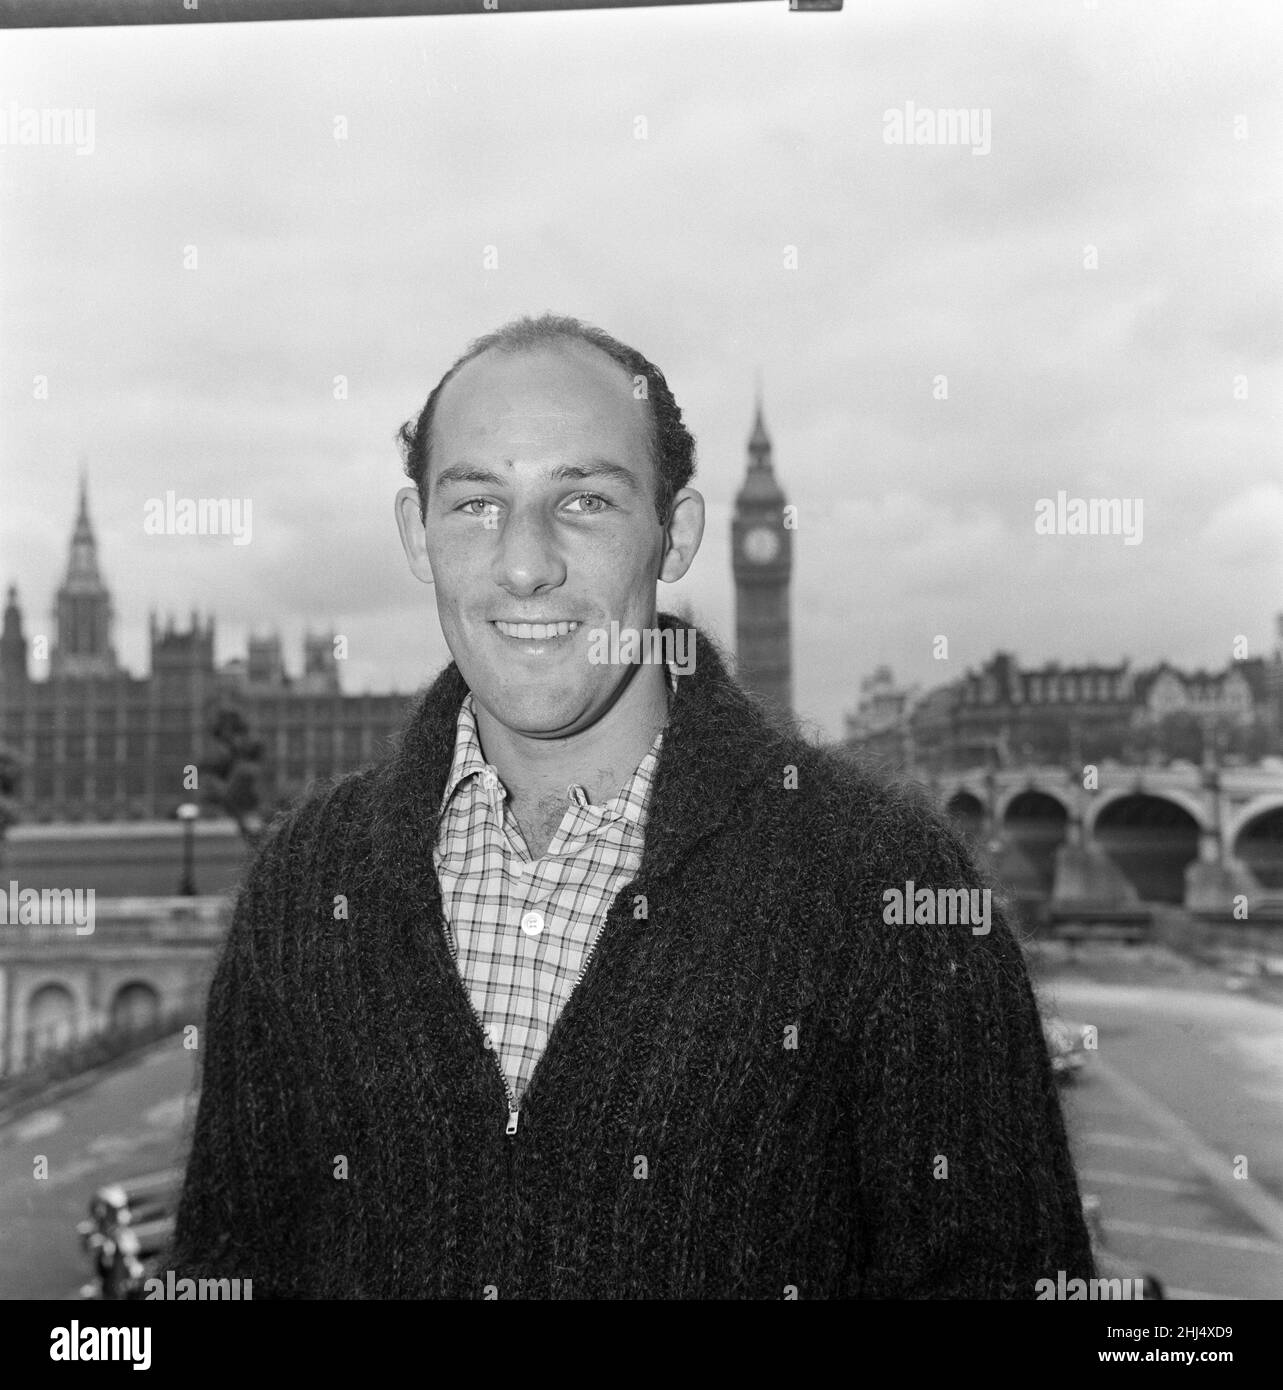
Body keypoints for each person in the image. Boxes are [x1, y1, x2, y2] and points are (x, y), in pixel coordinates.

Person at [170, 313, 1094, 1298]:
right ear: (416, 534)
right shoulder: (307, 881)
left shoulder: (885, 884)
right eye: (476, 502)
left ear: (677, 533)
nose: (524, 562)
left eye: (584, 500)